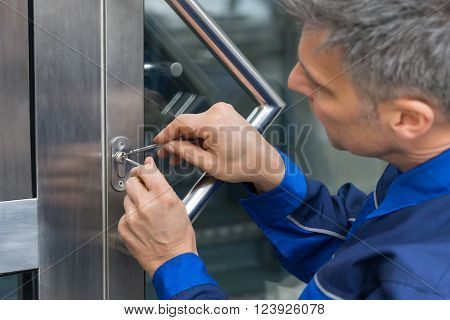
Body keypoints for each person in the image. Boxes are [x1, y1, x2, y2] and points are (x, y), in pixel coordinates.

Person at [118, 0, 450, 299]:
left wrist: (173, 262)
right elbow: (356, 263)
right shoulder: (423, 171)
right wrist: (268, 172)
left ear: (408, 119)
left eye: (321, 86)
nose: (292, 83)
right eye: (300, 65)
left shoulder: (421, 285)